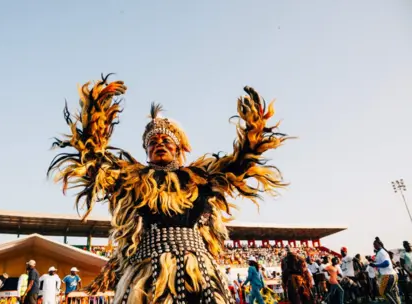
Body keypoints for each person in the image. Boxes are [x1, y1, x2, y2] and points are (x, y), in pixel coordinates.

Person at [48, 74, 290, 303]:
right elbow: (94, 164)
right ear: (146, 151)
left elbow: (238, 167)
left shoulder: (199, 179)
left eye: (165, 141)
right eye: (152, 142)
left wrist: (253, 136)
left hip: (200, 274)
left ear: (178, 148)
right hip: (147, 276)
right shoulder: (133, 179)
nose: (159, 145)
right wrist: (95, 123)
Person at [369, 237, 401, 304]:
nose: (374, 246)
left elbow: (386, 263)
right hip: (392, 275)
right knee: (389, 292)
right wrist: (373, 262)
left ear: (379, 244)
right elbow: (381, 262)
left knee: (382, 292)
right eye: (373, 244)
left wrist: (375, 265)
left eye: (375, 244)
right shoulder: (381, 252)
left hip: (388, 275)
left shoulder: (381, 252)